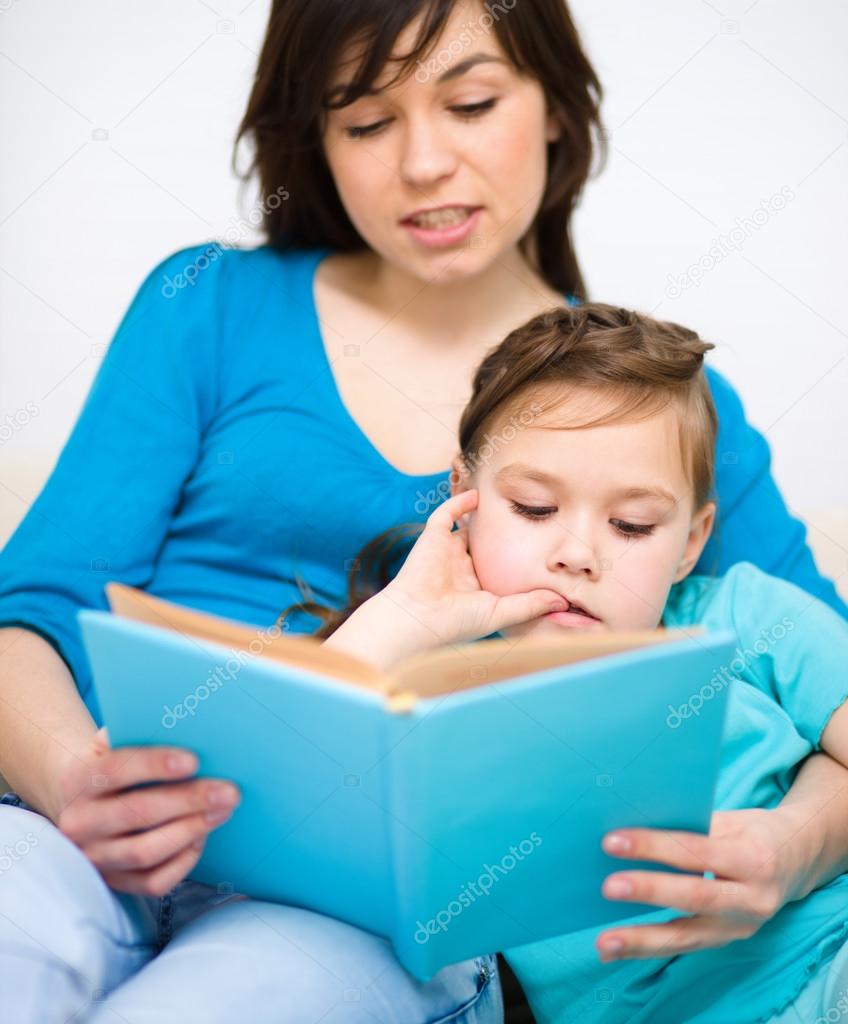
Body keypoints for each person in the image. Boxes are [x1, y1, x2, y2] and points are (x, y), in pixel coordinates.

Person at [0, 0, 845, 1020]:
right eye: (365, 121)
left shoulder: (660, 409)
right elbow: (31, 608)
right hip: (77, 823)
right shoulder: (206, 302)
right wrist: (66, 777)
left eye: (472, 102)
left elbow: (817, 697)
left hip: (352, 904)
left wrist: (792, 850)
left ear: (551, 110)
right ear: (312, 137)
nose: (422, 163)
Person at [316, 303, 848, 1023]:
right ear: (464, 500)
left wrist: (792, 844)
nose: (577, 554)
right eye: (535, 508)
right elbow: (276, 787)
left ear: (691, 541)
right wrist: (401, 617)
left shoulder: (745, 618)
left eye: (632, 525)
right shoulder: (427, 676)